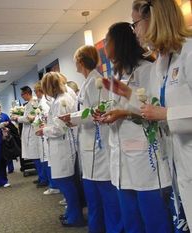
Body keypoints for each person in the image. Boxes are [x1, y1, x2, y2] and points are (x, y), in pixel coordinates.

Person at [109, 0, 192, 231]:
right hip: (179, 159)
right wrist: (127, 93)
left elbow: (162, 111)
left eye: (135, 24)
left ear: (152, 19)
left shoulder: (190, 51)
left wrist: (167, 114)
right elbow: (154, 104)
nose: (134, 31)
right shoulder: (163, 62)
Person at [99, 22, 172, 233]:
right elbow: (118, 106)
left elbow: (157, 109)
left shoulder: (147, 69)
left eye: (107, 41)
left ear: (118, 42)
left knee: (154, 220)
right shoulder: (118, 74)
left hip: (144, 156)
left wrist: (126, 111)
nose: (105, 46)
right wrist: (107, 113)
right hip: (122, 156)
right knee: (131, 221)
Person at [61, 45, 123, 233]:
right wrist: (74, 119)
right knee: (94, 198)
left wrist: (73, 118)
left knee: (107, 198)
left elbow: (99, 111)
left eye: (76, 61)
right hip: (89, 147)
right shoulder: (89, 82)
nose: (75, 65)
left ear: (81, 61)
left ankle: (113, 229)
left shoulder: (97, 81)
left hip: (99, 146)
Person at [36, 72, 85, 227]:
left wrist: (43, 130)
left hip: (63, 147)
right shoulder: (62, 98)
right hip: (63, 146)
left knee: (65, 182)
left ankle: (75, 216)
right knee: (67, 182)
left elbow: (59, 129)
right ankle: (71, 212)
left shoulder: (61, 101)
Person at [11, 86, 43, 184]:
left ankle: (43, 178)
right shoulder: (29, 104)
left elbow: (29, 119)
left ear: (27, 93)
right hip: (29, 132)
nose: (22, 96)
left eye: (22, 94)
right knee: (35, 157)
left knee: (37, 157)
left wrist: (17, 118)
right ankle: (41, 177)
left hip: (33, 133)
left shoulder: (33, 103)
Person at [0, 103, 14, 174]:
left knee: (8, 152)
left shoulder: (4, 115)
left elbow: (10, 124)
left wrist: (6, 126)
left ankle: (10, 168)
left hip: (6, 136)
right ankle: (3, 169)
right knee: (1, 154)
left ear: (0, 108)